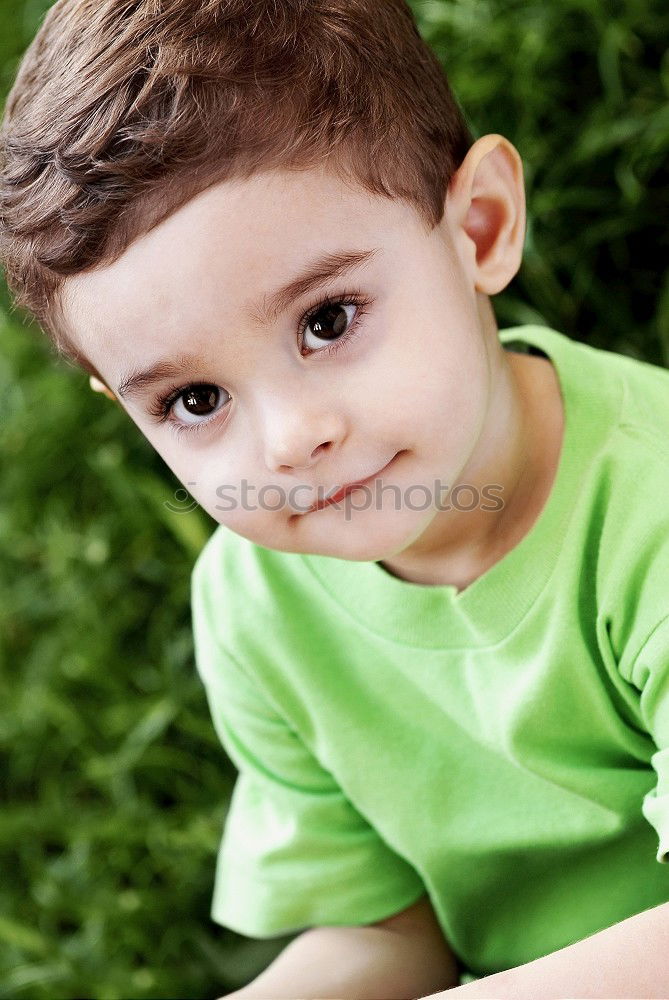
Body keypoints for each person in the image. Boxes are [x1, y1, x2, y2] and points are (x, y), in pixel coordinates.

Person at [1, 0, 668, 996]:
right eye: (195, 399)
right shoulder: (255, 602)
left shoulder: (645, 506)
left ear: (478, 226)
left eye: (328, 319)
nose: (288, 438)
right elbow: (386, 933)